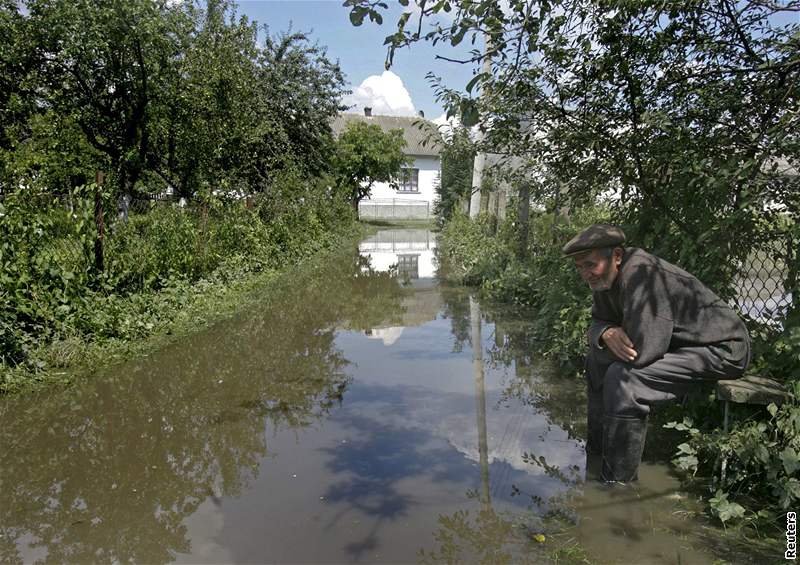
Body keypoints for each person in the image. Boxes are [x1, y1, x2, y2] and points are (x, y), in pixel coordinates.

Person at [562, 224, 750, 483]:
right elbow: (597, 323)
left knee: (624, 379)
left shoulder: (642, 275)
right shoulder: (606, 278)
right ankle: (596, 458)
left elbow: (643, 352)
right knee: (595, 361)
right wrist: (605, 333)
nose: (585, 274)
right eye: (579, 267)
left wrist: (610, 338)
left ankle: (618, 486)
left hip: (722, 349)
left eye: (590, 265)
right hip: (684, 346)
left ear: (616, 255)